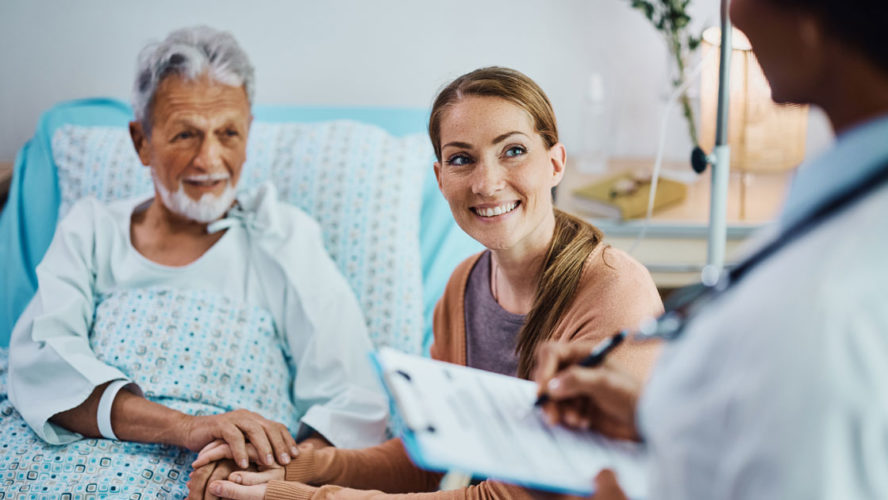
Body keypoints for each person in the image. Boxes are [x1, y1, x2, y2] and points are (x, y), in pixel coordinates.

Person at [194, 67, 664, 499]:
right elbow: (427, 459)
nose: (486, 182)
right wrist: (295, 468)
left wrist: (304, 497)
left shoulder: (614, 292)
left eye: (513, 151)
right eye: (462, 159)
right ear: (440, 178)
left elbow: (516, 496)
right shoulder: (462, 288)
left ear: (556, 162)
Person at [5, 26, 388, 498]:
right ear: (141, 141)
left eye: (228, 133)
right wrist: (189, 427)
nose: (209, 159)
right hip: (66, 465)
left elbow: (353, 398)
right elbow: (42, 361)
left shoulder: (285, 237)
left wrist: (273, 472)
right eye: (185, 134)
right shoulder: (92, 230)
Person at [534, 0, 888, 498]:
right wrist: (662, 415)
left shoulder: (825, 312)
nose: (730, 15)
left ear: (811, 26)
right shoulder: (850, 206)